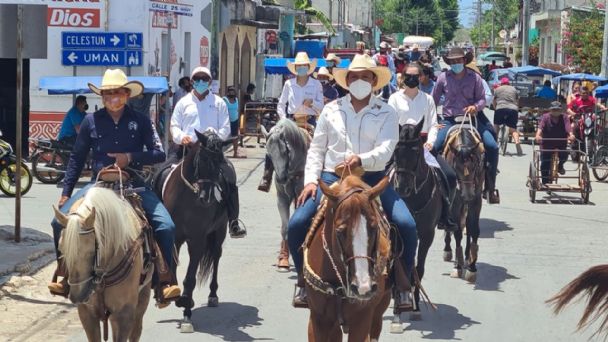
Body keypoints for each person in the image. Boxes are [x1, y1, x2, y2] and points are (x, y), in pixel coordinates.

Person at [288, 54, 418, 310]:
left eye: (365, 77)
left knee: (407, 224)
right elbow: (317, 148)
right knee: (297, 224)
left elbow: (387, 148)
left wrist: (362, 159)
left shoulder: (387, 112)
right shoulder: (331, 109)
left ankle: (404, 283)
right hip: (332, 179)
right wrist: (311, 181)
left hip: (371, 180)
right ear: (347, 81)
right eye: (355, 77)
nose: (360, 81)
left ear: (374, 81)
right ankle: (304, 280)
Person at [48, 69, 181, 305]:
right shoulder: (91, 121)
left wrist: (129, 157)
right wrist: (66, 193)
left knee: (167, 226)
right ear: (102, 97)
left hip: (134, 185)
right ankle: (64, 274)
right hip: (98, 186)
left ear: (127, 94)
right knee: (59, 223)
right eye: (108, 94)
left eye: (118, 93)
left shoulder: (141, 120)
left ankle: (165, 281)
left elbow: (159, 153)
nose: (113, 98)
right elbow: (77, 159)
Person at [170, 66, 247, 238]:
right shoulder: (183, 102)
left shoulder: (219, 102)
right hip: (186, 151)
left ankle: (233, 221)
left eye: (204, 79)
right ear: (191, 81)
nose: (200, 82)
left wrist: (214, 140)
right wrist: (181, 137)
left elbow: (226, 127)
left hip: (211, 153)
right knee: (162, 174)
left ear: (210, 82)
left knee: (229, 176)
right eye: (197, 79)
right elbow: (174, 125)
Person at [388, 63, 457, 231]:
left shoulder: (427, 99)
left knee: (449, 175)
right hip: (400, 146)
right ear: (403, 78)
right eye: (408, 76)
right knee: (377, 175)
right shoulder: (394, 99)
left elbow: (434, 124)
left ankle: (445, 215)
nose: (411, 79)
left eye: (415, 76)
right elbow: (389, 124)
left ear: (420, 78)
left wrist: (431, 142)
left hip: (422, 145)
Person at [432, 47, 500, 204]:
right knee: (434, 147)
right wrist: (432, 120)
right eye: (453, 61)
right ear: (449, 62)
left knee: (492, 146)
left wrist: (475, 107)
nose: (456, 63)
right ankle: (437, 185)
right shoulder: (443, 78)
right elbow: (433, 100)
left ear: (464, 60)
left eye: (459, 60)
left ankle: (490, 186)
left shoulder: (474, 78)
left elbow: (483, 99)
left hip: (473, 119)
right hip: (449, 120)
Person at [258, 52, 323, 192]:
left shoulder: (316, 84)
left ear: (308, 67)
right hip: (291, 120)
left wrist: (312, 103)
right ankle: (267, 175)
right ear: (295, 68)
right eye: (299, 66)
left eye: (303, 66)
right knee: (273, 139)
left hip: (309, 120)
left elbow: (322, 105)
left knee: (321, 144)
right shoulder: (289, 83)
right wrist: (283, 120)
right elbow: (281, 104)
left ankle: (322, 176)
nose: (301, 68)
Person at [535, 102, 575, 185]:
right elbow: (541, 127)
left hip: (560, 142)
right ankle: (545, 182)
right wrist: (538, 135)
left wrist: (571, 135)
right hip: (547, 143)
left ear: (561, 110)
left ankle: (560, 165)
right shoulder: (545, 117)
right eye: (554, 109)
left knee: (564, 155)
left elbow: (568, 127)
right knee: (545, 163)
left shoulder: (564, 117)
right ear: (550, 110)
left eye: (558, 110)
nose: (556, 111)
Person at [493, 77, 522, 155]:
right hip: (513, 109)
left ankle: (494, 143)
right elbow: (517, 101)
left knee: (496, 126)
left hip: (500, 108)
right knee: (513, 129)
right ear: (508, 83)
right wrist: (517, 109)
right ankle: (517, 142)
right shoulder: (514, 89)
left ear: (501, 83)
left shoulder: (498, 89)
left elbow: (494, 101)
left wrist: (496, 108)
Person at [223, 86, 244, 158]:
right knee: (224, 137)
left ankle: (235, 153)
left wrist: (238, 123)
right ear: (228, 92)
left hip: (235, 121)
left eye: (233, 91)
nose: (232, 92)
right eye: (230, 91)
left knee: (235, 137)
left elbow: (237, 110)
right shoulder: (225, 99)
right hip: (227, 121)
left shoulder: (236, 100)